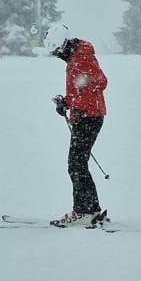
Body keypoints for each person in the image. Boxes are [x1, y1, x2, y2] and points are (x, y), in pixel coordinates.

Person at [50, 28, 109, 226]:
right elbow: (81, 89)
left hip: (90, 117)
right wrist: (66, 103)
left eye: (57, 52)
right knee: (77, 164)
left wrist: (79, 107)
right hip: (88, 115)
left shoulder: (81, 56)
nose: (58, 56)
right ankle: (90, 209)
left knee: (76, 164)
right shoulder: (76, 57)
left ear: (64, 46)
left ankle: (85, 211)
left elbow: (100, 81)